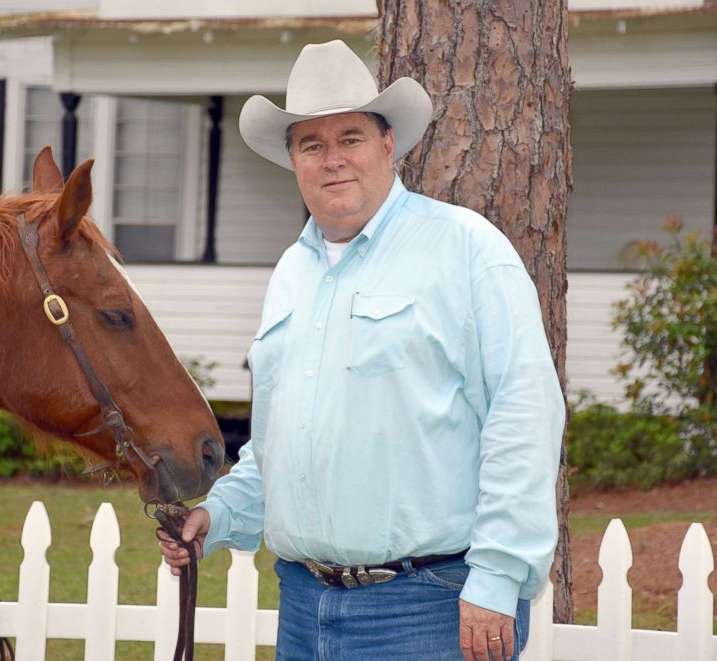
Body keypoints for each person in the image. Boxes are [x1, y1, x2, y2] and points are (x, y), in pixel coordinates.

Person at [157, 39, 565, 661]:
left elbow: (525, 414)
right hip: (303, 603)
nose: (332, 160)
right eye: (311, 144)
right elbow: (279, 447)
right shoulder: (291, 274)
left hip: (431, 604)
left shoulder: (465, 249)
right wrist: (217, 518)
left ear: (387, 145)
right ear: (292, 160)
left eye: (349, 137)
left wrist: (499, 575)